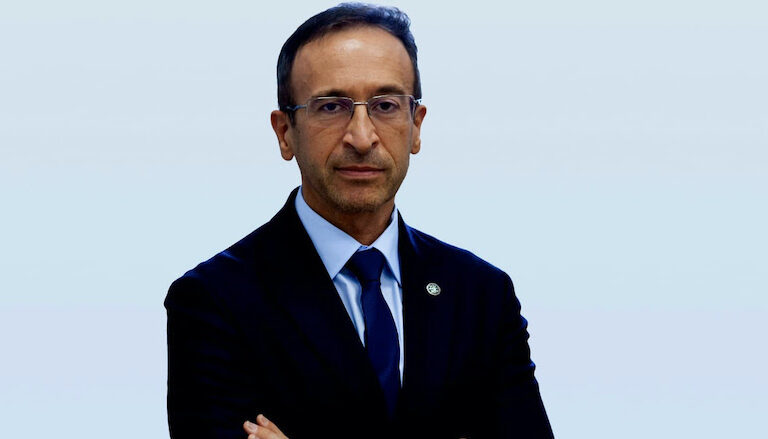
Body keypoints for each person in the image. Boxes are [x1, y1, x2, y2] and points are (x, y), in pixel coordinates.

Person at [164, 3, 553, 438]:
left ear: (416, 125)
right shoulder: (214, 300)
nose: (362, 137)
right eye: (332, 107)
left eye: (385, 105)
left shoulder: (482, 294)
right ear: (285, 132)